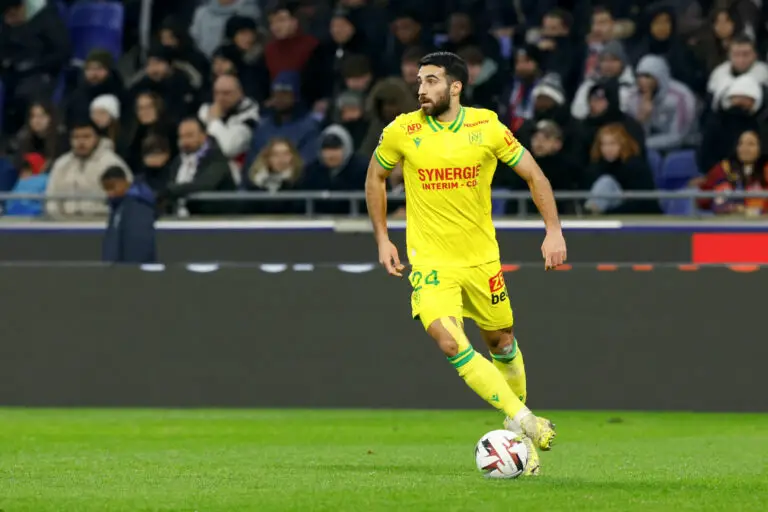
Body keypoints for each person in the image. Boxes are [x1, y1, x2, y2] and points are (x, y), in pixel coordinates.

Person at [364, 52, 565, 476]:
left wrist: (553, 230)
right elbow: (375, 177)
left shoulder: (486, 126)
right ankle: (525, 421)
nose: (421, 89)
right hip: (431, 262)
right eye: (420, 81)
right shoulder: (402, 130)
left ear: (455, 87)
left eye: (431, 81)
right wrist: (382, 238)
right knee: (450, 341)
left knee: (502, 343)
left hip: (481, 261)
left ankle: (516, 429)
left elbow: (534, 175)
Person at [46, 120, 131, 217]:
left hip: (99, 222)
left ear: (97, 138)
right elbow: (51, 198)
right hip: (64, 222)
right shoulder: (61, 164)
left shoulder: (112, 163)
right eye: (76, 137)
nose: (81, 142)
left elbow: (124, 201)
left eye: (86, 136)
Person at [584, 123, 660, 215]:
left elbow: (645, 201)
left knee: (606, 182)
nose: (608, 148)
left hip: (634, 213)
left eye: (612, 144)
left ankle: (590, 214)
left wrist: (608, 213)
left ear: (623, 144)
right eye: (603, 144)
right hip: (608, 210)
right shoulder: (597, 166)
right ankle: (591, 212)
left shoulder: (635, 165)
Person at [697, 130, 768, 215]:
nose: (745, 148)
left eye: (751, 144)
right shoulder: (722, 168)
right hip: (728, 220)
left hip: (761, 220)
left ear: (760, 148)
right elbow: (703, 199)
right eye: (740, 144)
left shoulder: (766, 169)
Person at [100, 166, 157, 264]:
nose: (109, 193)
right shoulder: (119, 206)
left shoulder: (138, 206)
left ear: (124, 182)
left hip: (131, 269)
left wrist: (131, 269)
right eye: (106, 189)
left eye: (112, 187)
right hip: (118, 268)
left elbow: (138, 244)